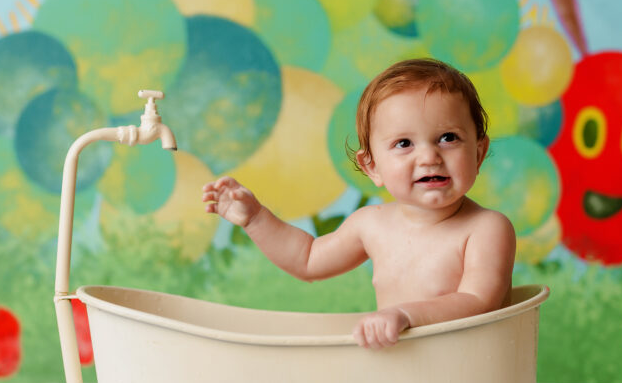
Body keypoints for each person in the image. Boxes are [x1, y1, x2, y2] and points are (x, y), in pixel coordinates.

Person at [201, 58, 516, 349]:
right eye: (404, 143)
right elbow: (307, 260)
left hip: (468, 375)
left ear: (478, 152)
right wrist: (255, 218)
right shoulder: (371, 224)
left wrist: (405, 315)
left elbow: (478, 300)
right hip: (399, 371)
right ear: (372, 167)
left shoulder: (486, 228)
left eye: (448, 138)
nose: (429, 157)